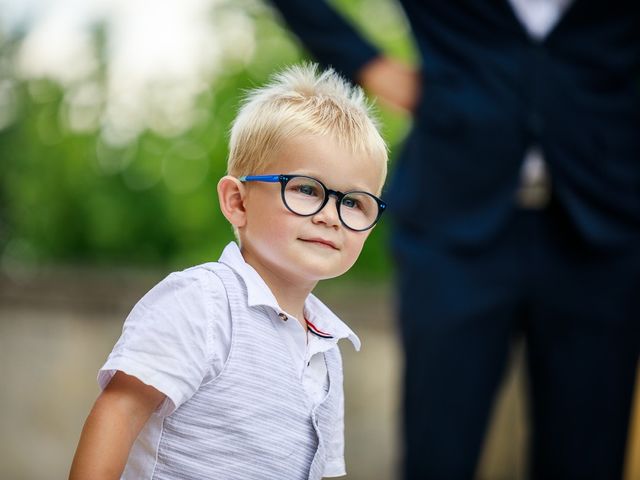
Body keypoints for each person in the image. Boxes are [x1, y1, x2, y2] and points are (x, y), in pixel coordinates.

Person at [266, 1, 640, 478]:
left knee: (588, 458)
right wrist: (366, 63)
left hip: (604, 223)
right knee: (437, 453)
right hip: (452, 224)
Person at [68, 63, 389, 480]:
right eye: (307, 190)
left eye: (354, 202)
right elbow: (120, 411)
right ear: (238, 202)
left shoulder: (327, 348)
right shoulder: (203, 302)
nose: (331, 216)